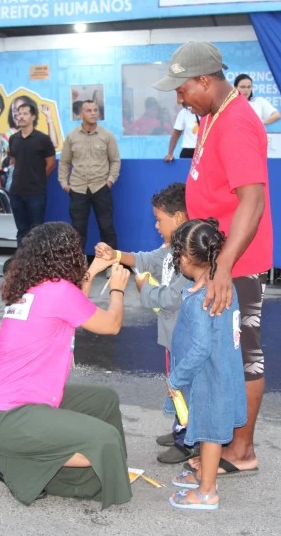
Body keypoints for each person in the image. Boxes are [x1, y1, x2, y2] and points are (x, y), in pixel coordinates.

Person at [154, 41, 272, 477]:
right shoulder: (210, 116)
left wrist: (223, 268)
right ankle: (210, 435)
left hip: (235, 264)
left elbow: (252, 202)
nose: (179, 98)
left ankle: (241, 450)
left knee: (242, 354)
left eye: (182, 89)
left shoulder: (236, 121)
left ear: (205, 80)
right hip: (212, 262)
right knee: (209, 350)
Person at [0, 222, 133, 509]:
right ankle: (14, 463)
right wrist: (117, 289)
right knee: (104, 440)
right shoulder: (58, 292)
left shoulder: (36, 288)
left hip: (6, 408)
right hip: (6, 416)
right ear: (65, 255)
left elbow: (76, 303)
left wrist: (95, 269)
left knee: (104, 400)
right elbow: (111, 324)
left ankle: (80, 471)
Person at [94, 182, 192, 464]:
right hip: (173, 335)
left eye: (159, 220)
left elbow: (172, 298)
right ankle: (181, 428)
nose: (156, 226)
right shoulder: (171, 249)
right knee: (177, 385)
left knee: (186, 388)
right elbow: (144, 259)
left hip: (185, 337)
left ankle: (188, 441)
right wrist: (114, 255)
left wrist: (143, 289)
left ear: (178, 217)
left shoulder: (190, 256)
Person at [166, 218, 246, 511]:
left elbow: (201, 348)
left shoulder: (201, 299)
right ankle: (204, 475)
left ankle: (206, 492)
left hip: (209, 378)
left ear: (187, 259)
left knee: (210, 433)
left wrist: (176, 378)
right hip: (224, 373)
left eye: (177, 256)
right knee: (206, 427)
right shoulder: (224, 288)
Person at [58, 100, 121, 251]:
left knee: (106, 227)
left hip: (101, 187)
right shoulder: (72, 136)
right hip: (78, 189)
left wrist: (110, 181)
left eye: (95, 110)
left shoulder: (107, 135)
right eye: (89, 110)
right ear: (81, 114)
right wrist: (64, 184)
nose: (93, 113)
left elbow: (115, 161)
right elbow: (64, 162)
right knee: (77, 230)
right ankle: (77, 263)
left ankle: (111, 262)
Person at [8, 102, 56, 246]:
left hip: (36, 194)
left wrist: (38, 179)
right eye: (19, 114)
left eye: (25, 114)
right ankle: (21, 258)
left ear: (33, 117)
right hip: (16, 192)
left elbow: (51, 164)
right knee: (21, 230)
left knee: (36, 231)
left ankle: (36, 260)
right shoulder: (13, 139)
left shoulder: (43, 139)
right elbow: (14, 161)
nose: (21, 117)